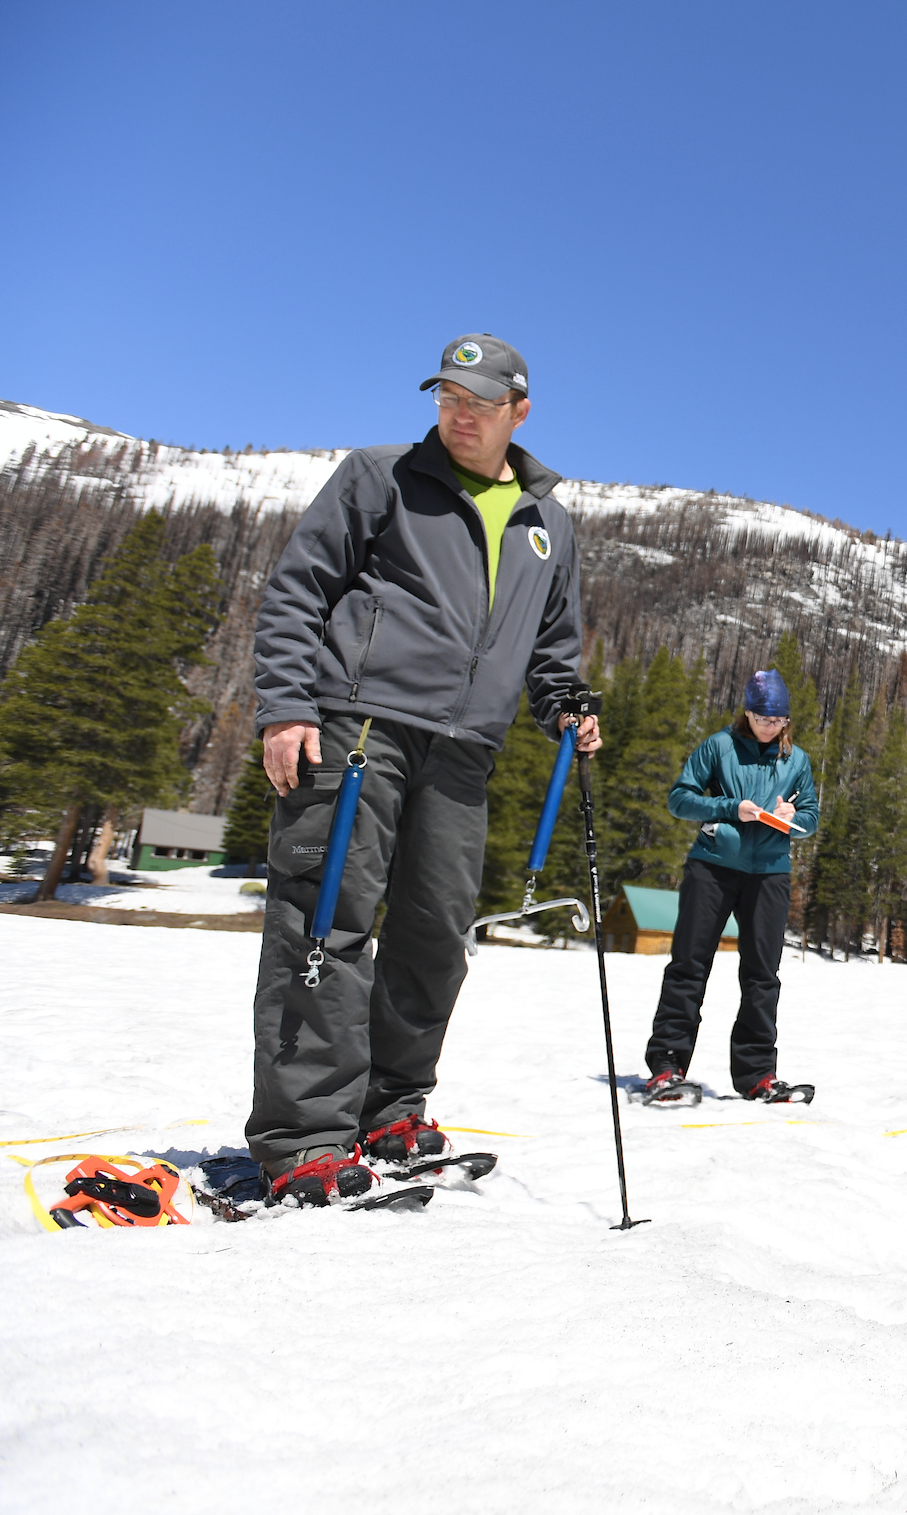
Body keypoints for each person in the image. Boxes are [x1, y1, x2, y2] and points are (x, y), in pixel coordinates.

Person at [246, 333, 597, 1206]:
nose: (458, 413)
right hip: (359, 728)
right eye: (447, 396)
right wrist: (287, 706)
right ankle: (305, 1139)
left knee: (437, 937)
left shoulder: (548, 522)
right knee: (327, 923)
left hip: (465, 749)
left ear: (520, 411)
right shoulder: (379, 475)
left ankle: (391, 1107)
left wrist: (568, 706)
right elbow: (299, 588)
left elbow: (554, 650)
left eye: (478, 401)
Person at [638, 668, 820, 1104]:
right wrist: (729, 808)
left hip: (771, 873)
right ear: (747, 712)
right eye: (762, 719)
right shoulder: (718, 746)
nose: (770, 728)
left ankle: (758, 1075)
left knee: (763, 976)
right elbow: (680, 798)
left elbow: (811, 816)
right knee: (689, 965)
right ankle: (667, 1067)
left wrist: (792, 820)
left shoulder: (797, 761)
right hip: (714, 867)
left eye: (778, 722)